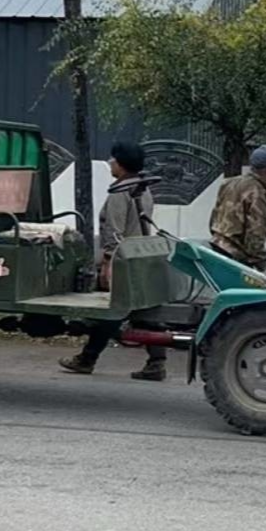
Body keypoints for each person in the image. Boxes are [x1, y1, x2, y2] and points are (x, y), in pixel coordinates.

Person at [60, 141, 168, 380]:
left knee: (113, 312)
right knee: (143, 311)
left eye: (113, 159)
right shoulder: (144, 189)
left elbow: (115, 232)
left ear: (121, 163)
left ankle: (88, 358)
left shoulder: (120, 192)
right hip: (141, 256)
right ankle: (156, 362)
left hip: (124, 261)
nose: (110, 162)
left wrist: (108, 263)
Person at [209, 145, 266, 271]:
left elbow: (214, 217)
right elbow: (256, 235)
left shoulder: (228, 183)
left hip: (216, 248)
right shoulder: (258, 194)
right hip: (236, 257)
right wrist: (261, 264)